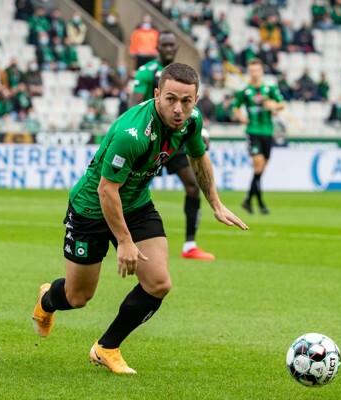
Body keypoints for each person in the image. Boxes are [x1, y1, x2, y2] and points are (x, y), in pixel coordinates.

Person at [32, 63, 248, 375]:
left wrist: (216, 203)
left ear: (196, 100)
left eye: (186, 101)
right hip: (91, 209)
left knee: (159, 283)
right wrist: (124, 241)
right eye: (171, 99)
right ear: (157, 94)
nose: (178, 109)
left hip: (136, 205)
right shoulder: (131, 134)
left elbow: (198, 156)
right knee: (77, 297)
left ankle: (106, 347)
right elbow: (107, 190)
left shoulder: (192, 121)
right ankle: (47, 300)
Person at [130, 31, 215, 261]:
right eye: (164, 45)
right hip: (149, 141)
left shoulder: (182, 75)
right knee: (131, 188)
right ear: (157, 47)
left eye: (171, 45)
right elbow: (134, 105)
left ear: (176, 48)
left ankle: (190, 245)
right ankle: (121, 237)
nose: (168, 48)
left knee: (192, 186)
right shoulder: (147, 72)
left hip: (174, 140)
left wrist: (199, 131)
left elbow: (189, 108)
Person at [233, 58, 284, 215]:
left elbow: (281, 104)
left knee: (260, 170)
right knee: (258, 164)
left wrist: (273, 106)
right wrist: (241, 117)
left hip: (268, 132)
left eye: (257, 70)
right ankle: (260, 203)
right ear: (249, 72)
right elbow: (235, 107)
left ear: (261, 71)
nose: (254, 73)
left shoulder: (269, 88)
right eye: (252, 71)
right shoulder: (245, 90)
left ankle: (249, 200)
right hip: (253, 131)